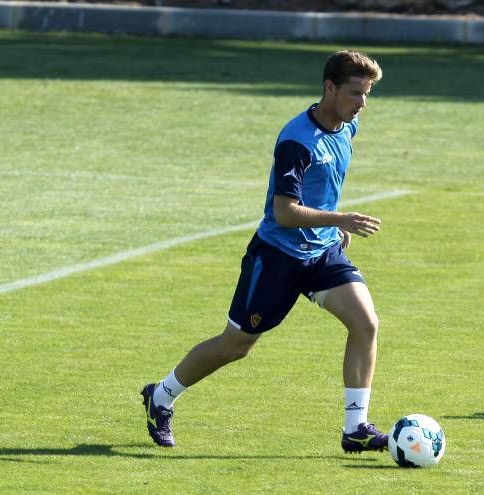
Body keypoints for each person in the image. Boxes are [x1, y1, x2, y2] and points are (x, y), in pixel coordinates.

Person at [141, 49, 386, 453]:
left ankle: (355, 428)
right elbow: (284, 212)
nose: (362, 104)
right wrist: (337, 220)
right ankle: (161, 396)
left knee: (366, 324)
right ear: (330, 87)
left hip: (321, 253)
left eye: (367, 94)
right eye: (356, 93)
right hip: (277, 258)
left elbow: (323, 188)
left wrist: (331, 229)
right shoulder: (296, 140)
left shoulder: (346, 128)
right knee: (235, 345)